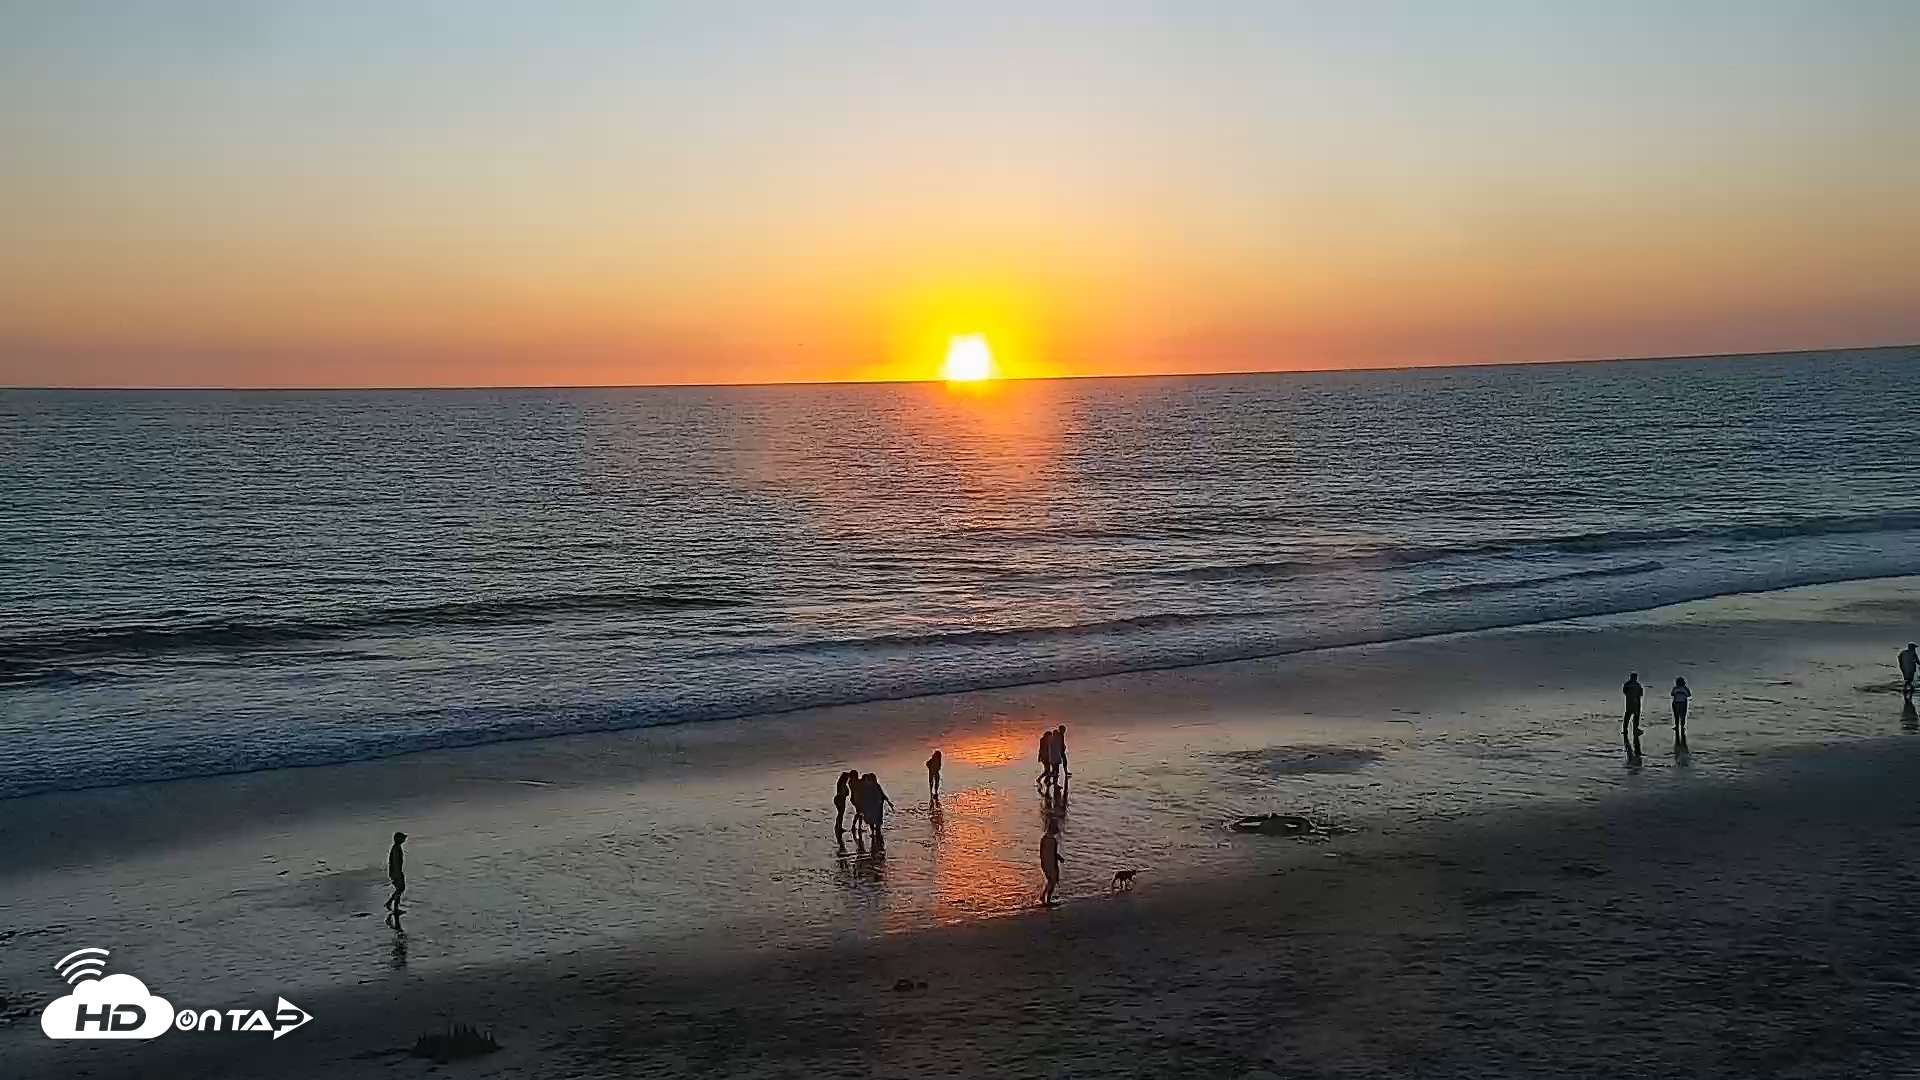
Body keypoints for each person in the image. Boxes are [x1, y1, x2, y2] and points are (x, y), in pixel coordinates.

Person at [384, 831, 408, 922]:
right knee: (400, 888)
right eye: (403, 838)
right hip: (396, 872)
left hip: (395, 872)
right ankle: (395, 907)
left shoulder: (397, 847)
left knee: (400, 889)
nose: (404, 839)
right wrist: (398, 874)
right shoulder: (396, 848)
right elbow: (395, 862)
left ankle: (390, 903)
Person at [1040, 818, 1063, 906]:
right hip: (1050, 863)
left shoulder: (1045, 838)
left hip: (1045, 862)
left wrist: (1059, 857)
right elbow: (1051, 854)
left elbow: (1045, 853)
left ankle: (1043, 897)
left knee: (1050, 881)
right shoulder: (1051, 840)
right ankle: (1048, 899)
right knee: (1052, 881)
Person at [1622, 673, 1644, 760]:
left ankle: (1625, 730)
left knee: (1627, 716)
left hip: (1629, 703)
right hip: (1636, 703)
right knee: (1635, 717)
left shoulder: (1627, 684)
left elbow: (1624, 691)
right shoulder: (1638, 685)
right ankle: (1635, 729)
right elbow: (1641, 694)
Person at [1670, 677, 1691, 743]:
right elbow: (1689, 695)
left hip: (1676, 702)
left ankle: (1677, 726)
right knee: (1683, 715)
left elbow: (1672, 694)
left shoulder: (1675, 688)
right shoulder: (1685, 689)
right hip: (1683, 703)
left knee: (1676, 715)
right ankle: (1682, 726)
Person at [833, 770, 853, 835]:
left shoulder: (841, 783)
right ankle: (839, 827)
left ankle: (837, 826)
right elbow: (844, 793)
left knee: (840, 814)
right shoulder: (842, 784)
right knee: (841, 814)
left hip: (839, 799)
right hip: (840, 800)